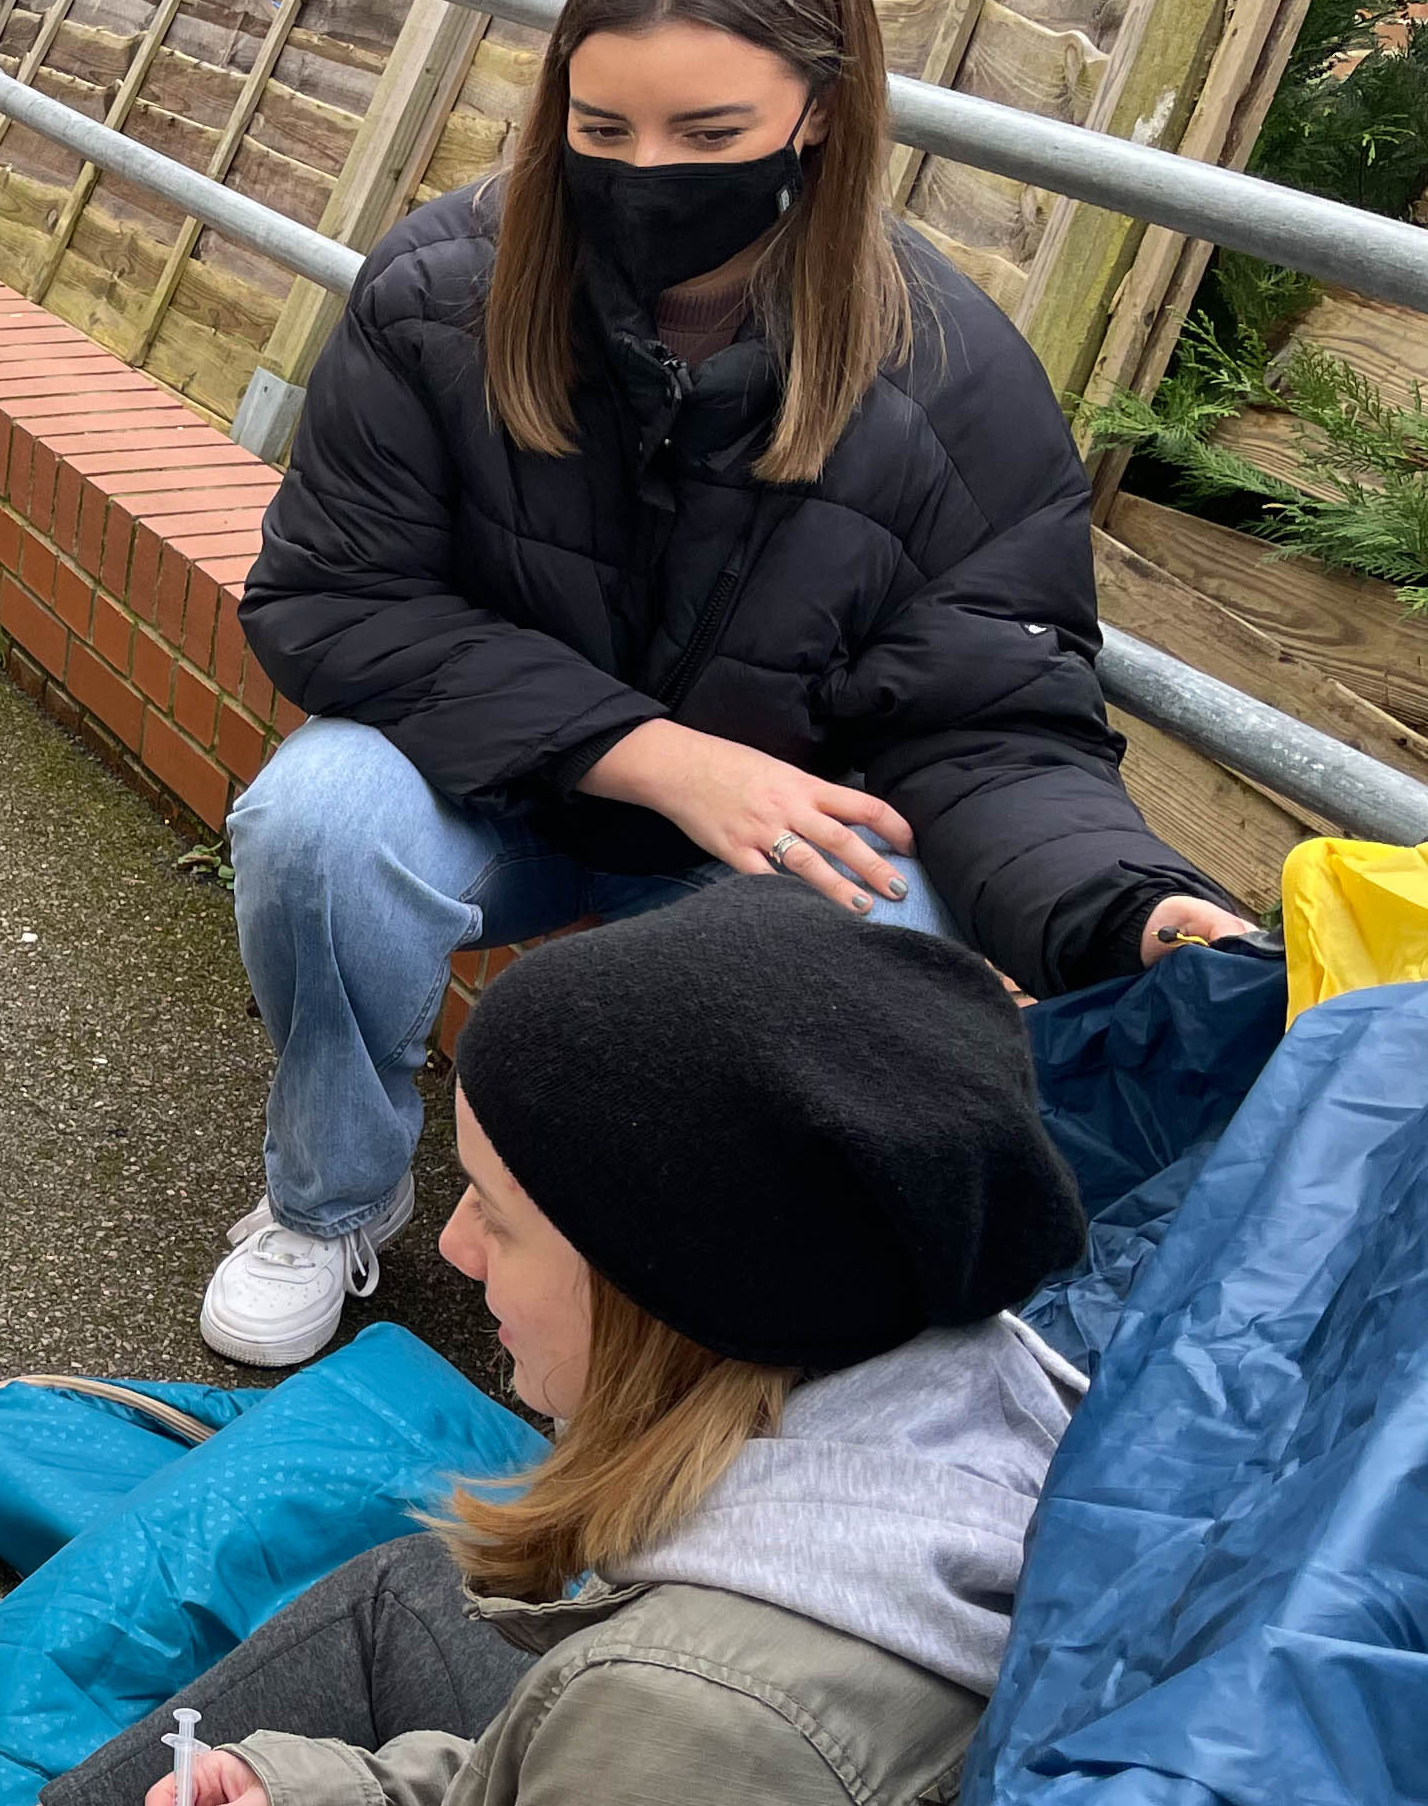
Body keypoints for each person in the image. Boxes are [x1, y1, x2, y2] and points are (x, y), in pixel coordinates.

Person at [199, 0, 1248, 1366]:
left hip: (761, 843)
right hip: (495, 789)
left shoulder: (954, 371)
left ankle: (686, 1293)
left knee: (900, 920)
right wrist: (656, 755)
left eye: (708, 133)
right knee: (315, 820)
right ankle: (327, 1197)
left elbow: (990, 715)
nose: (645, 173)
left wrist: (1135, 907)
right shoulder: (439, 286)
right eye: (600, 128)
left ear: (819, 110)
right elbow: (332, 596)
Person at [45, 873, 1091, 1806]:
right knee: (417, 1580)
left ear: (671, 1292)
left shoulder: (689, 1722)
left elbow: (645, 1745)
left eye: (496, 1216)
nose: (453, 1249)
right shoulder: (956, 1390)